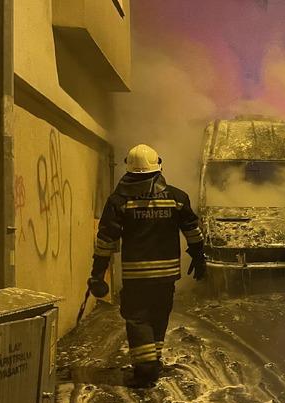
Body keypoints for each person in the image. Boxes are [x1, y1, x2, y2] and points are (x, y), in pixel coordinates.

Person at [88, 144, 207, 387]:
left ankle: (145, 370)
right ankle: (153, 360)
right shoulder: (177, 198)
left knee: (138, 319)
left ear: (129, 169)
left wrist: (97, 274)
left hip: (137, 276)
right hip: (167, 275)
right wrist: (199, 257)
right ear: (158, 166)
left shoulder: (119, 201)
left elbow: (106, 241)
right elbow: (193, 231)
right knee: (159, 316)